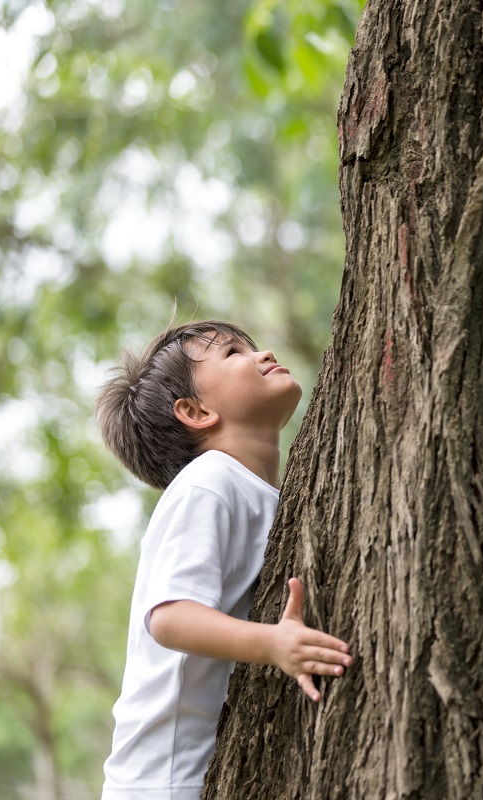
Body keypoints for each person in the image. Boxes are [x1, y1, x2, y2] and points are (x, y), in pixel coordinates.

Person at [95, 320, 351, 800]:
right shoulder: (208, 483)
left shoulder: (259, 492)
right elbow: (169, 617)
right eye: (234, 353)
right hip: (161, 782)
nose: (263, 353)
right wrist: (273, 644)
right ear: (195, 411)